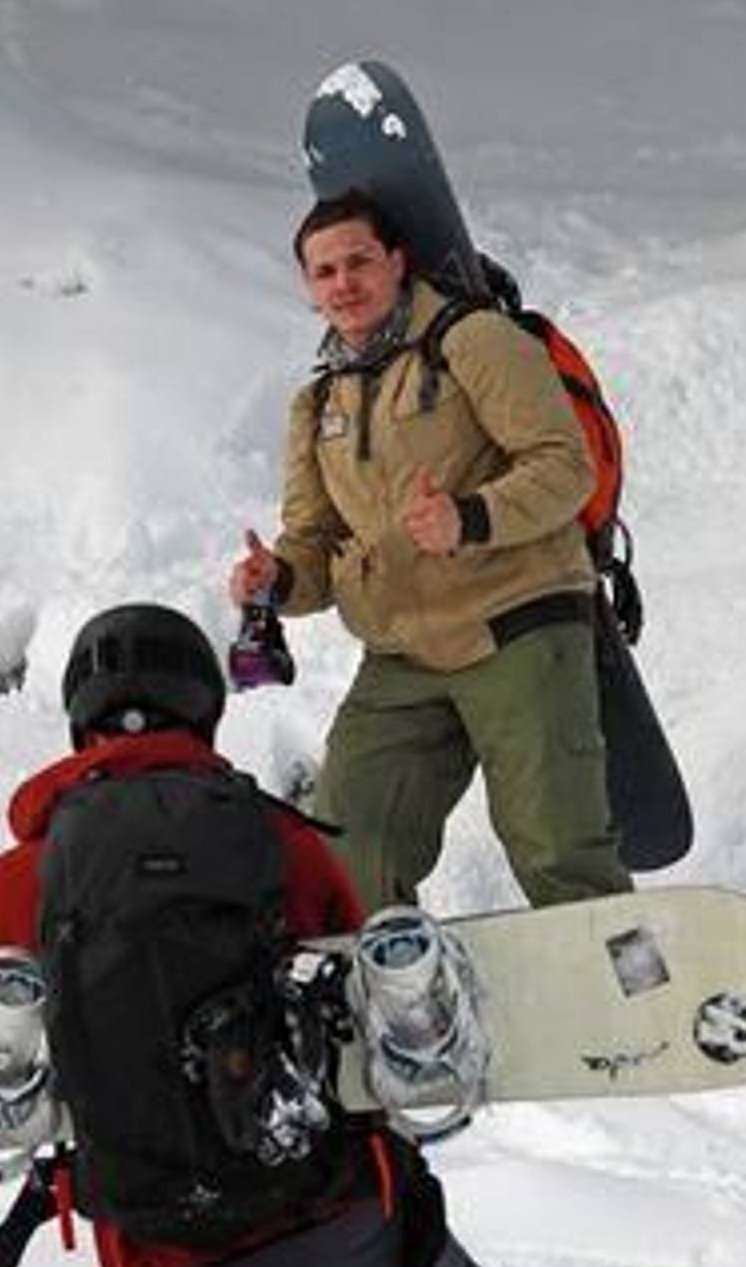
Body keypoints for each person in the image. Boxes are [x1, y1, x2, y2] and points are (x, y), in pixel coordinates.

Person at [0, 600, 648, 1267]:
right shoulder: (281, 842)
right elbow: (358, 1012)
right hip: (333, 1206)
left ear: (81, 715)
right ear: (204, 708)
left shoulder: (15, 884)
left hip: (173, 1253)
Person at [230, 189, 630, 915]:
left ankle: (627, 982)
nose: (344, 284)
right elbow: (314, 542)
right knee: (348, 852)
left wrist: (469, 519)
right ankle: (394, 978)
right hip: (404, 651)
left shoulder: (474, 341)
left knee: (557, 850)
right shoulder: (316, 405)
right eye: (324, 272)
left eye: (359, 262)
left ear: (397, 261)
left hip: (517, 624)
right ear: (308, 288)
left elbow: (564, 465)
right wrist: (276, 579)